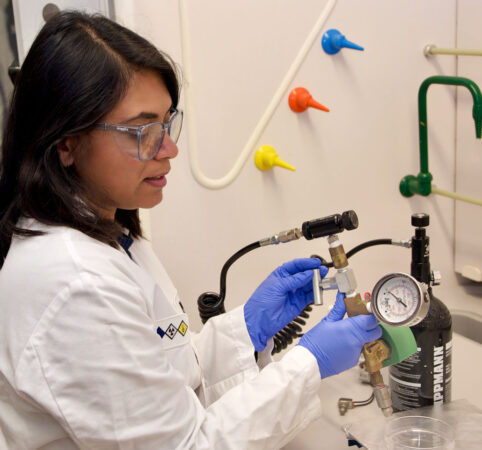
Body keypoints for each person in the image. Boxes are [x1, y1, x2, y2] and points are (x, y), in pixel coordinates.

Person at [0, 11, 382, 449]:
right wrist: (309, 362)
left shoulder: (113, 236)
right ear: (66, 142)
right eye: (143, 130)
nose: (170, 148)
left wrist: (249, 328)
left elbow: (166, 380)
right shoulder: (74, 286)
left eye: (167, 123)